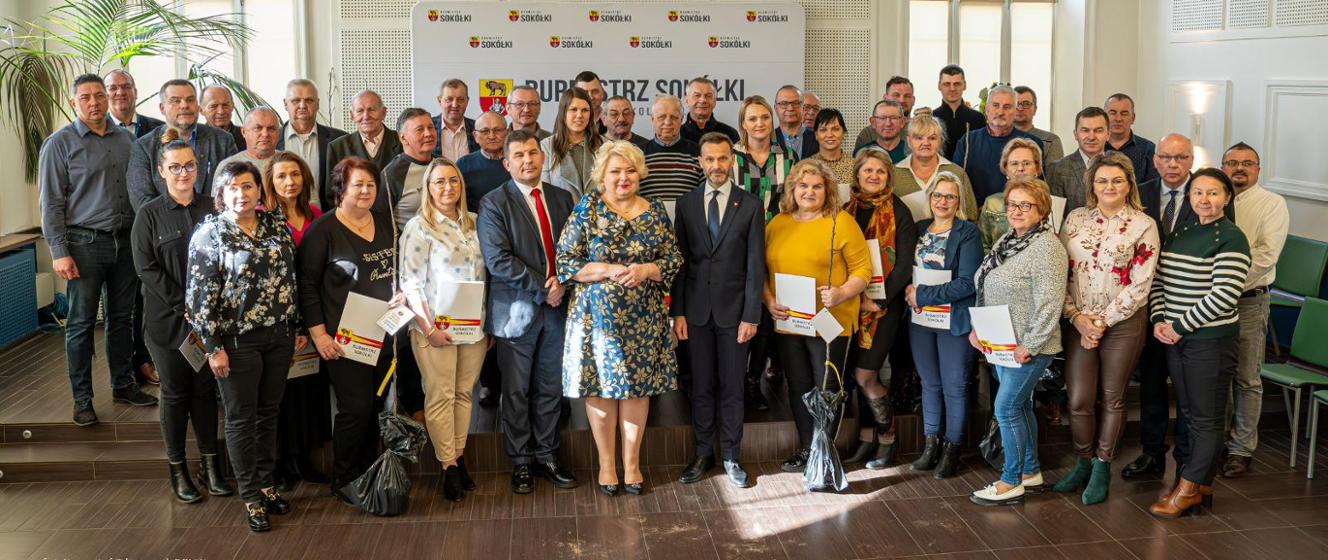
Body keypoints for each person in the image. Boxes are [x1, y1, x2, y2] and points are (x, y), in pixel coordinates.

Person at [557, 140, 682, 496]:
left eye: (630, 170)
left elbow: (673, 260)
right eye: (615, 171)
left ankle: (632, 464)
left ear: (640, 173)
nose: (623, 178)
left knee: (636, 392)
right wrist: (609, 269)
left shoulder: (656, 209)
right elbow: (566, 261)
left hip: (644, 318)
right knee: (600, 392)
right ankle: (607, 466)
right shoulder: (588, 208)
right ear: (602, 176)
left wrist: (645, 269)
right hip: (596, 319)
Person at [186, 160, 301, 531]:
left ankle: (267, 485)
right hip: (235, 342)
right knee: (240, 418)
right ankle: (250, 495)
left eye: (248, 186)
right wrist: (212, 346)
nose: (242, 194)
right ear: (221, 193)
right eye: (233, 187)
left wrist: (294, 324)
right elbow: (198, 298)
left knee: (269, 412)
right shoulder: (210, 233)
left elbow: (291, 277)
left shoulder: (275, 225)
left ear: (258, 190)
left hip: (279, 337)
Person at [39, 74, 157, 427]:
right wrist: (59, 251)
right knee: (80, 324)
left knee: (123, 319)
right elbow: (50, 203)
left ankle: (123, 384)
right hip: (83, 244)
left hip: (125, 242)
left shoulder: (126, 139)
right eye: (86, 97)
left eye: (100, 95)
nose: (95, 102)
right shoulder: (60, 143)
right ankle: (82, 399)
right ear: (74, 102)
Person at [1052, 153, 1160, 505]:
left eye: (1116, 180)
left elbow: (1141, 284)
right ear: (1092, 185)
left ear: (1129, 184)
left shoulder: (1144, 224)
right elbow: (1061, 274)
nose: (1109, 187)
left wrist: (1101, 322)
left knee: (1113, 397)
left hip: (1124, 323)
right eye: (1102, 181)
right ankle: (1083, 461)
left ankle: (1102, 465)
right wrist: (1077, 318)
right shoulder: (1075, 219)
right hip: (1078, 321)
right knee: (1079, 398)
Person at [476, 130, 579, 494]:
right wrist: (544, 287)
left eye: (533, 153)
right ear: (507, 163)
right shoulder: (493, 203)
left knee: (551, 388)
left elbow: (575, 249)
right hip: (516, 313)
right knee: (516, 392)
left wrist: (563, 282)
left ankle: (548, 455)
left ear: (542, 156)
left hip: (557, 310)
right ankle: (521, 461)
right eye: (518, 155)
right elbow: (498, 260)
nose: (527, 160)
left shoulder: (562, 198)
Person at [132, 129, 232, 502]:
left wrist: (208, 310)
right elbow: (146, 268)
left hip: (209, 322)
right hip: (168, 321)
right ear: (161, 171)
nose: (182, 173)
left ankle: (211, 466)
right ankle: (178, 470)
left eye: (189, 165)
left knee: (205, 392)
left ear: (199, 166)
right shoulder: (149, 215)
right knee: (175, 394)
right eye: (174, 167)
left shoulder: (213, 208)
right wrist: (188, 305)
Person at [1147, 168, 1250, 518]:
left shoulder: (1232, 238)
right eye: (1198, 193)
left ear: (1227, 198)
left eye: (1213, 193)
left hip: (1210, 341)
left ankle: (1188, 488)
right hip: (1175, 337)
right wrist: (1160, 320)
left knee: (1206, 418)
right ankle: (1200, 486)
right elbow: (1159, 281)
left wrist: (1179, 326)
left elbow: (1224, 295)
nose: (1204, 200)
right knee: (1189, 412)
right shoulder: (1181, 233)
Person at [298, 157, 398, 501]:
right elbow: (307, 286)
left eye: (371, 184)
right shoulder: (322, 231)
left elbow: (395, 272)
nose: (366, 191)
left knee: (374, 406)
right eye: (358, 185)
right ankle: (344, 479)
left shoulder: (386, 224)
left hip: (384, 335)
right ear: (341, 189)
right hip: (343, 340)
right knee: (355, 409)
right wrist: (319, 335)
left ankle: (368, 472)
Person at [764, 159, 872, 472]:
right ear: (792, 189)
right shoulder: (777, 223)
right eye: (803, 186)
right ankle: (806, 447)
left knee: (827, 388)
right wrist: (769, 300)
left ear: (828, 191)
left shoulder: (841, 222)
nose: (809, 191)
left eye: (817, 186)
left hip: (830, 322)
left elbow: (863, 270)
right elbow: (763, 271)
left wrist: (841, 292)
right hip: (789, 323)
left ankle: (824, 453)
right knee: (798, 385)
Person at [672, 132, 765, 488]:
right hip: (695, 313)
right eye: (709, 159)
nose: (716, 166)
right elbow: (680, 264)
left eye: (723, 159)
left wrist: (751, 315)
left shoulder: (751, 205)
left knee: (731, 386)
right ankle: (701, 454)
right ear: (700, 162)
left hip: (735, 315)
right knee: (700, 386)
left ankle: (730, 455)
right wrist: (677, 312)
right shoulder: (686, 204)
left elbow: (756, 267)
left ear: (733, 161)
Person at [969, 177, 1068, 506]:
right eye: (1012, 204)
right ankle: (1030, 471)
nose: (1017, 211)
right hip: (999, 341)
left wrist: (1031, 344)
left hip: (1028, 346)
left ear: (1041, 209)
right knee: (1020, 406)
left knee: (1006, 407)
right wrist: (978, 328)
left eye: (1025, 205)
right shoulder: (1008, 240)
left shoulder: (1047, 248)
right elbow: (986, 282)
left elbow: (1050, 303)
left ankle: (1010, 481)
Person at [399, 158, 489, 502]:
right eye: (439, 182)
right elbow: (410, 284)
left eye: (453, 181)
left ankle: (460, 457)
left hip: (473, 329)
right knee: (440, 396)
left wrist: (487, 324)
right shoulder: (419, 228)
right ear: (428, 188)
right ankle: (447, 465)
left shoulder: (476, 224)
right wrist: (427, 326)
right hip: (434, 329)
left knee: (464, 394)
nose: (447, 187)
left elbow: (485, 276)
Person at [1123, 133, 1199, 479]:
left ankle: (1185, 459)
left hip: (1190, 309)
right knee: (1152, 385)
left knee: (1186, 390)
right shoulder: (1141, 192)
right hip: (1149, 306)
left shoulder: (1206, 193)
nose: (1173, 164)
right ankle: (1152, 454)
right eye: (1166, 157)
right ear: (1155, 160)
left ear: (1191, 160)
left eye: (1181, 158)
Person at [259, 151, 331, 489]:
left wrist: (309, 324)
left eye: (295, 175)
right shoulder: (261, 219)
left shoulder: (315, 214)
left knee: (308, 391)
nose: (289, 181)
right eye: (281, 176)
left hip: (313, 318)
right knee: (280, 395)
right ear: (270, 182)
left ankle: (304, 459)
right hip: (280, 320)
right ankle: (281, 464)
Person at [842, 150, 917, 470]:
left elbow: (903, 266)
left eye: (880, 171)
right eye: (867, 170)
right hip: (850, 303)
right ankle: (866, 438)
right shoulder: (846, 209)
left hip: (883, 306)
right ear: (857, 174)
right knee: (853, 373)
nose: (873, 176)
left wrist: (880, 299)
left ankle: (888, 439)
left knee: (866, 373)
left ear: (889, 176)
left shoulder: (898, 210)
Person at [1219, 142, 1289, 478]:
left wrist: (1224, 284)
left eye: (1247, 163)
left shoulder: (1272, 204)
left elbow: (1265, 257)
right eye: (1232, 162)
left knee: (1246, 378)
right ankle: (1217, 440)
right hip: (1210, 304)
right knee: (1217, 375)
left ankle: (1241, 449)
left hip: (1248, 300)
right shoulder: (1213, 199)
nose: (1239, 168)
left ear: (1258, 169)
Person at [905, 172, 981, 479]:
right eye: (938, 195)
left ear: (959, 200)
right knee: (929, 384)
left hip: (953, 320)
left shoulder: (968, 232)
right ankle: (930, 445)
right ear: (930, 198)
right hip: (921, 320)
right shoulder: (920, 229)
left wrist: (922, 294)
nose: (943, 201)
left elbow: (967, 283)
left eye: (950, 196)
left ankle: (952, 450)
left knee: (955, 385)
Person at [733, 95, 797, 411]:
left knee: (771, 318)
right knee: (748, 314)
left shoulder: (788, 156)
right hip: (740, 246)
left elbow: (797, 201)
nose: (760, 124)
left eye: (764, 118)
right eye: (753, 118)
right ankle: (739, 383)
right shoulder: (730, 158)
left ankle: (755, 382)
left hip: (778, 243)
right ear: (743, 124)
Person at [105, 69, 163, 387]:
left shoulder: (156, 129)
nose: (119, 92)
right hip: (116, 231)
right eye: (112, 87)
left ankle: (145, 359)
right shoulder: (98, 132)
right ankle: (124, 371)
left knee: (147, 299)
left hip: (153, 229)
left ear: (135, 90)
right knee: (121, 308)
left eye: (125, 86)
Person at [127, 79, 239, 211]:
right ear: (162, 108)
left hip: (213, 224)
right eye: (176, 101)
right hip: (166, 228)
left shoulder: (223, 140)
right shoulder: (143, 147)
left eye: (190, 100)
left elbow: (234, 189)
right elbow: (143, 201)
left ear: (198, 106)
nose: (184, 105)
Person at [953, 85, 1044, 203]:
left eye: (1007, 107)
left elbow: (1039, 187)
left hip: (1018, 212)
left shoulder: (1030, 143)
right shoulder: (968, 141)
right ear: (986, 109)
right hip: (973, 214)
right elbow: (955, 182)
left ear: (1015, 110)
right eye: (995, 105)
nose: (1000, 112)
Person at [893, 114, 979, 221]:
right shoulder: (893, 174)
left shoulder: (956, 173)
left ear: (939, 141)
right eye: (919, 138)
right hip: (904, 237)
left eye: (932, 138)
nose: (926, 143)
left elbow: (971, 216)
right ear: (909, 141)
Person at [277, 78, 347, 210]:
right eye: (296, 101)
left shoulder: (339, 140)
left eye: (309, 100)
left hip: (326, 219)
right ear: (285, 104)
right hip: (283, 221)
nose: (302, 106)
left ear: (318, 104)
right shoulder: (273, 140)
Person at [977, 138, 1044, 251]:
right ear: (1006, 168)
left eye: (1026, 163)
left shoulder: (1051, 203)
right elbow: (982, 245)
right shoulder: (992, 203)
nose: (1020, 168)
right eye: (1014, 163)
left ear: (1037, 168)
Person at [377, 107, 438, 230]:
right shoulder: (391, 174)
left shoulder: (445, 165)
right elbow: (380, 222)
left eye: (431, 127)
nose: (428, 133)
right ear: (403, 138)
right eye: (420, 129)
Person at [326, 90, 402, 182]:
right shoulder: (337, 148)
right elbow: (331, 193)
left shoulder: (403, 142)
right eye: (360, 111)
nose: (366, 116)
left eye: (372, 110)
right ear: (351, 115)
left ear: (384, 113)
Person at [540, 87, 603, 198]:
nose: (579, 115)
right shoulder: (546, 146)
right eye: (573, 109)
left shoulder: (605, 145)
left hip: (600, 214)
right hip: (562, 215)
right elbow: (545, 192)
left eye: (585, 110)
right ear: (563, 112)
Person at [639, 95, 703, 201]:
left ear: (682, 119)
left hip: (688, 217)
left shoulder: (698, 152)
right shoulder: (638, 154)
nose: (668, 122)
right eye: (662, 117)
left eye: (674, 117)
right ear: (652, 119)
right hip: (649, 217)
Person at [1047, 107, 1111, 212]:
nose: (1091, 137)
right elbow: (1055, 218)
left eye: (1098, 130)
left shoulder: (1119, 167)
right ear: (1076, 134)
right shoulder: (1058, 169)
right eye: (1085, 130)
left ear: (1108, 134)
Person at [457, 111, 512, 210]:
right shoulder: (463, 165)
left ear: (507, 133)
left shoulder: (518, 162)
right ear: (475, 136)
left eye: (497, 130)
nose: (492, 136)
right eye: (485, 131)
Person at [932, 65, 987, 160]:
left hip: (970, 173)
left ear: (964, 85)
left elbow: (982, 153)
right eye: (947, 84)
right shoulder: (931, 118)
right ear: (939, 86)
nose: (952, 88)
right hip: (937, 173)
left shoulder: (978, 119)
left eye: (957, 84)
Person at [1104, 93, 1158, 184]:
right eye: (1112, 113)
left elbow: (1152, 187)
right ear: (1104, 117)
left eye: (1124, 114)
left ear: (1133, 118)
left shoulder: (1148, 149)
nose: (1118, 119)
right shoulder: (1095, 147)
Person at [854, 76, 916, 148]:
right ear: (885, 98)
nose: (902, 100)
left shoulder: (922, 131)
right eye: (896, 95)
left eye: (907, 96)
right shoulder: (868, 134)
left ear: (913, 100)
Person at [217, 106, 281, 172]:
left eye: (271, 129)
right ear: (243, 132)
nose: (265, 134)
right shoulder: (228, 167)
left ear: (278, 132)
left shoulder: (289, 163)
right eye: (258, 128)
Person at [104, 69, 164, 138]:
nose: (120, 92)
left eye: (126, 87)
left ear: (135, 93)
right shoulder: (94, 132)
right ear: (104, 96)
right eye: (113, 88)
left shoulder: (159, 130)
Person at [682, 77, 740, 144]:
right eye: (697, 95)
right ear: (686, 101)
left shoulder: (730, 134)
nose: (703, 100)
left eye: (708, 96)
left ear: (715, 101)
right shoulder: (677, 135)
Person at [1013, 86, 1064, 162]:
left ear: (1035, 109)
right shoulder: (998, 138)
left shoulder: (1050, 140)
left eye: (1026, 104)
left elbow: (1055, 173)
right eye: (1015, 104)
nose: (1020, 108)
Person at [432, 78, 479, 160]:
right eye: (449, 99)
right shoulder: (428, 128)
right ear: (440, 101)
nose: (455, 105)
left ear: (467, 101)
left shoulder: (478, 128)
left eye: (460, 100)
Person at [808, 108, 854, 183]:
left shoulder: (855, 167)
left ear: (843, 133)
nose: (829, 135)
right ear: (816, 134)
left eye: (835, 129)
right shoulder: (808, 166)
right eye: (823, 130)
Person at [774, 85, 818, 159]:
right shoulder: (768, 139)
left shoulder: (817, 138)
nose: (790, 108)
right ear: (776, 109)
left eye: (796, 103)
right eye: (784, 103)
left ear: (802, 107)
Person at [202, 85, 246, 150]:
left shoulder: (246, 136)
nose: (221, 111)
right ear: (201, 110)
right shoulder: (194, 139)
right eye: (213, 106)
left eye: (225, 105)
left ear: (232, 107)